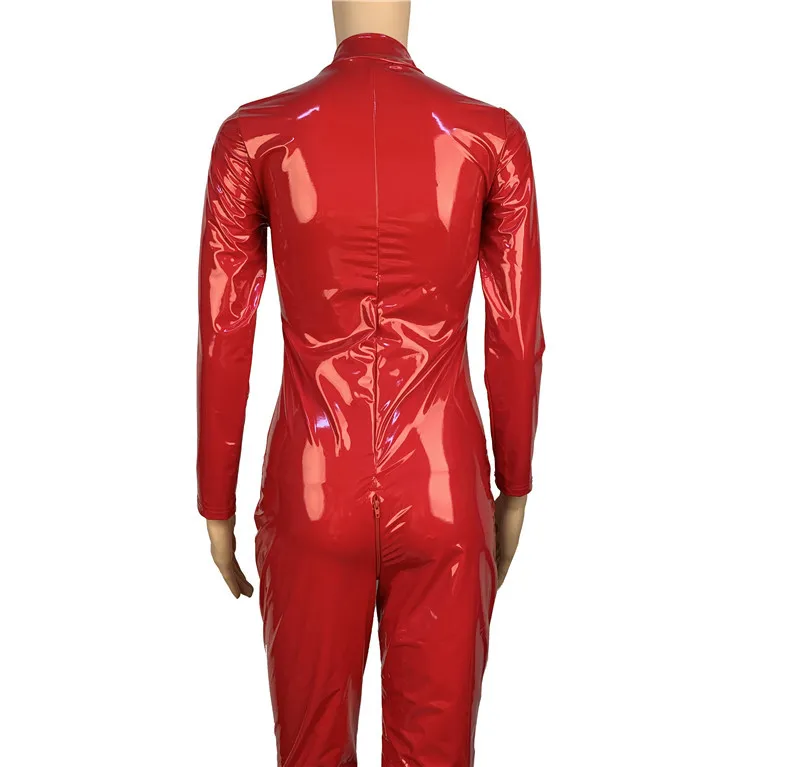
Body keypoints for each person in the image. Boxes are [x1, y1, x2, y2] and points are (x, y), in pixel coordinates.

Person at [196, 5, 545, 765]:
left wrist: (214, 500)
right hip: (444, 482)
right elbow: (516, 336)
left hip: (314, 482)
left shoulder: (256, 135)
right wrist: (513, 487)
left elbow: (224, 330)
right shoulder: (491, 137)